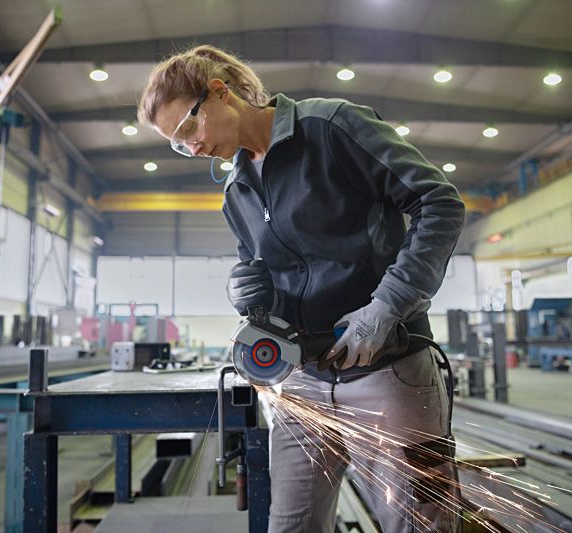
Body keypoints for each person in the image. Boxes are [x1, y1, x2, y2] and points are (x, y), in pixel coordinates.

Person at [138, 45, 465, 532]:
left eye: (189, 129)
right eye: (179, 145)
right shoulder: (236, 191)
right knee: (291, 526)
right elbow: (266, 276)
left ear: (220, 93)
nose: (193, 148)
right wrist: (250, 295)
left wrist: (387, 306)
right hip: (302, 385)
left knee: (419, 524)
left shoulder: (333, 127)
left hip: (387, 371)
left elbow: (438, 202)